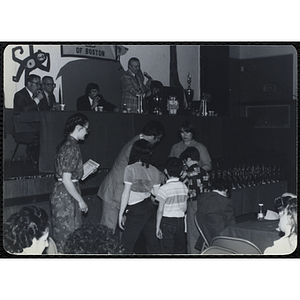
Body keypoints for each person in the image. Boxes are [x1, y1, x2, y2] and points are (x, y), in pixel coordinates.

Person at [97, 120, 165, 233]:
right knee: (107, 230)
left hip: (119, 190)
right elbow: (143, 168)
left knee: (118, 230)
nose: (157, 142)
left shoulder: (137, 141)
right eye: (158, 139)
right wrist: (161, 176)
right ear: (153, 136)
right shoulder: (136, 146)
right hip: (114, 191)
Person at [50, 113, 89, 253]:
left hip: (62, 191)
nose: (87, 132)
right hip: (67, 196)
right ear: (78, 128)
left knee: (62, 235)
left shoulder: (65, 144)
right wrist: (81, 201)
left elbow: (67, 175)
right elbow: (67, 179)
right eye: (86, 129)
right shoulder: (72, 147)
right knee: (69, 237)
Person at [119, 139, 163, 254]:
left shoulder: (130, 169)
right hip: (149, 207)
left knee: (126, 244)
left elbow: (126, 193)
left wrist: (121, 214)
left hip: (136, 209)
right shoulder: (155, 171)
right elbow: (157, 193)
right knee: (153, 244)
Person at [179, 146, 210, 254]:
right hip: (205, 203)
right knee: (203, 233)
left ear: (188, 159)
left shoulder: (186, 174)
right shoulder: (205, 172)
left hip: (193, 203)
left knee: (192, 235)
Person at [156, 157, 189, 254]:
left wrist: (157, 227)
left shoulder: (164, 189)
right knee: (180, 250)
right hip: (180, 222)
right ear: (181, 172)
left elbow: (160, 210)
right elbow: (185, 208)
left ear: (165, 171)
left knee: (167, 250)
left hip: (167, 222)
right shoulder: (184, 187)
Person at [195, 178, 235, 251]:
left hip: (205, 237)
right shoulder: (226, 202)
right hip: (221, 240)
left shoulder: (201, 198)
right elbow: (232, 226)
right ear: (226, 190)